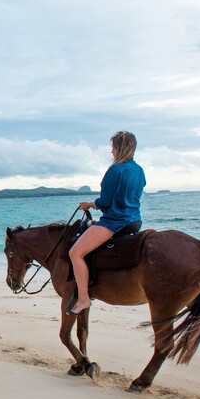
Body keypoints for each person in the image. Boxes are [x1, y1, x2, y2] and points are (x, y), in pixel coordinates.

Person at [67, 131, 146, 315]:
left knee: (75, 252)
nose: (111, 151)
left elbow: (106, 202)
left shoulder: (115, 170)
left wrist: (90, 204)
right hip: (135, 221)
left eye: (113, 147)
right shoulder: (139, 170)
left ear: (119, 148)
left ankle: (84, 299)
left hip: (114, 222)